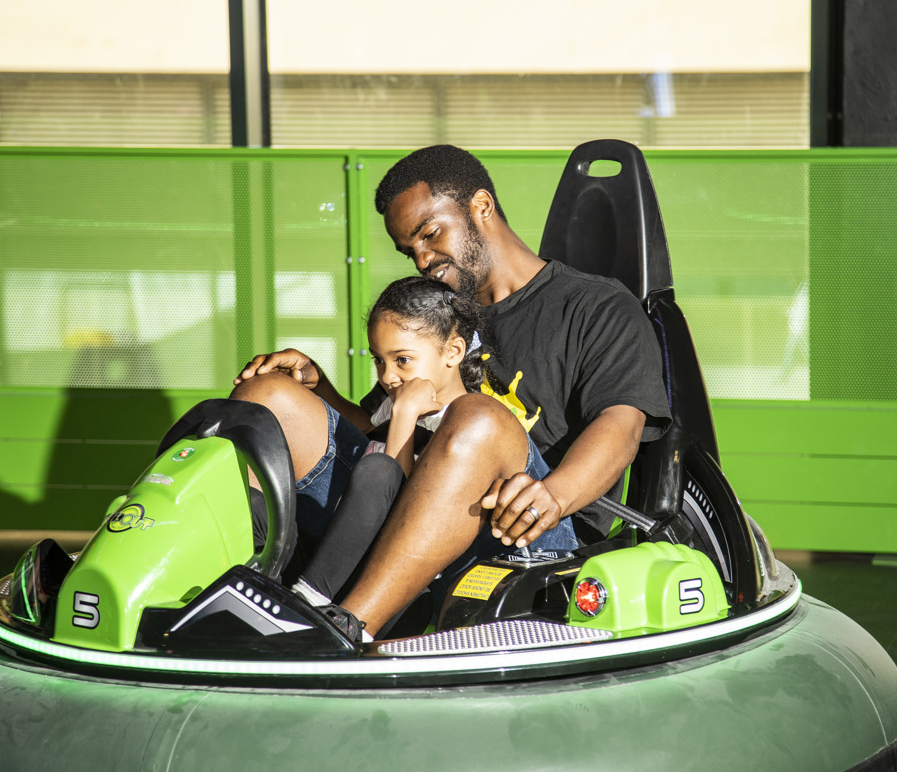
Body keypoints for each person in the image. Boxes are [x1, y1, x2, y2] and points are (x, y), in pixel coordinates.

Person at [233, 144, 671, 636]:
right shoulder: (438, 312)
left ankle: (345, 630)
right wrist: (324, 393)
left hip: (525, 532)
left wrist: (553, 495)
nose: (422, 259)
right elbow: (388, 429)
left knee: (477, 416)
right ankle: (234, 599)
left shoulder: (596, 307)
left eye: (429, 234)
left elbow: (621, 426)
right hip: (408, 511)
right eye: (409, 250)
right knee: (268, 398)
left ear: (481, 206)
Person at [290, 275, 574, 612]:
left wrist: (405, 415)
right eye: (379, 360)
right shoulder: (395, 404)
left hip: (484, 569)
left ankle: (323, 605)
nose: (387, 376)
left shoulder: (467, 428)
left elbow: (397, 505)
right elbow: (365, 431)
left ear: (453, 351)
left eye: (402, 360)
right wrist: (321, 387)